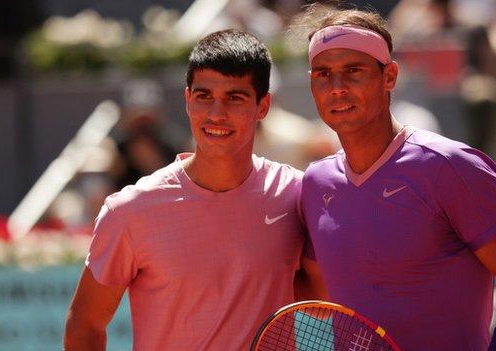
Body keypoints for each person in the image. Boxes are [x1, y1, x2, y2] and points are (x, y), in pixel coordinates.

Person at [295, 4, 496, 351]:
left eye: (354, 70)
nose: (337, 87)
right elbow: (316, 291)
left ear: (389, 76)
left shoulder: (449, 166)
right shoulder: (316, 183)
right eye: (323, 73)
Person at [64, 29, 326, 350]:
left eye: (235, 97)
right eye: (204, 96)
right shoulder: (129, 210)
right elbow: (84, 326)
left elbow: (320, 305)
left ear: (263, 106)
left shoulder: (298, 195)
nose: (216, 113)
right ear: (188, 100)